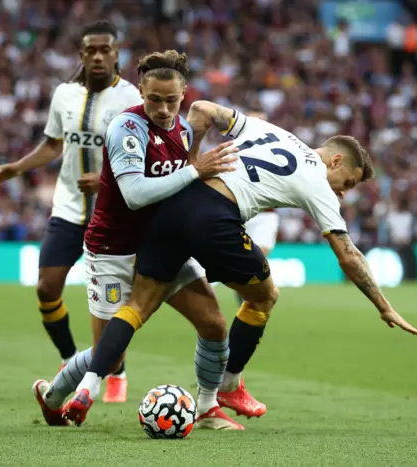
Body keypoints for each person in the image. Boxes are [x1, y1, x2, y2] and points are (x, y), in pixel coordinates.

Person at [64, 101, 417, 424]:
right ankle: (229, 385)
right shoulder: (317, 178)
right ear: (336, 160)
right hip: (215, 218)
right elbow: (348, 255)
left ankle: (88, 388)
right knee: (264, 297)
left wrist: (191, 162)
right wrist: (383, 305)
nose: (344, 192)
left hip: (174, 203)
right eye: (347, 182)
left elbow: (202, 110)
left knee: (138, 305)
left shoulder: (270, 130)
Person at [32, 51, 244, 430]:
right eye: (154, 99)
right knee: (108, 358)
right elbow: (135, 194)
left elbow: (184, 191)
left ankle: (208, 407)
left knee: (214, 324)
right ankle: (53, 396)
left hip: (161, 247)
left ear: (183, 96)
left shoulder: (181, 131)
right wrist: (196, 171)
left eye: (172, 100)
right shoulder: (126, 128)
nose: (163, 109)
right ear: (141, 90)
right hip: (112, 249)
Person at [0, 20, 143, 403]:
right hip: (69, 210)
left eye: (105, 49)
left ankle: (115, 370)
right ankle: (70, 359)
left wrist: (105, 179)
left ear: (116, 53)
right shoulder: (64, 95)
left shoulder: (132, 99)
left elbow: (142, 153)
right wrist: (16, 168)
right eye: (91, 50)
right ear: (81, 55)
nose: (98, 56)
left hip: (112, 215)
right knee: (46, 288)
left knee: (110, 305)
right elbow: (53, 144)